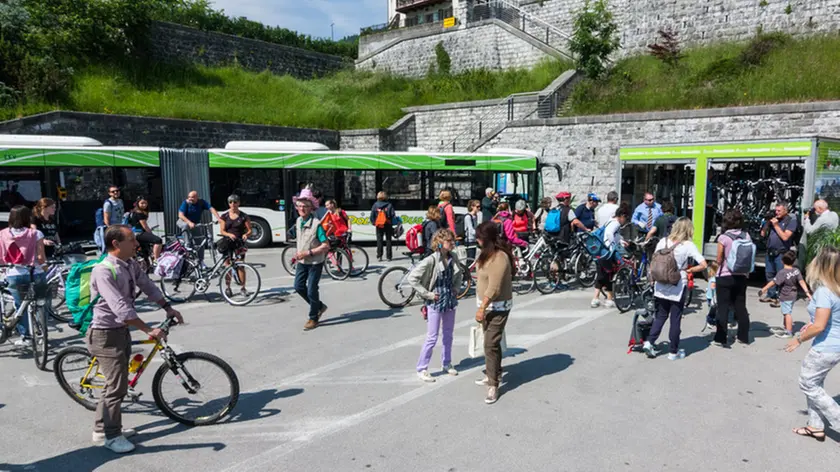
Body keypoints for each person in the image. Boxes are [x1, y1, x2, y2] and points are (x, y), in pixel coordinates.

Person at [87, 225, 183, 453]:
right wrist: (148, 329)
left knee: (117, 383)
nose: (137, 245)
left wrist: (167, 307)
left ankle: (102, 428)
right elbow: (120, 308)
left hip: (120, 331)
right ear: (116, 244)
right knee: (116, 387)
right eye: (131, 240)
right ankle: (110, 436)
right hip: (105, 334)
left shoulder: (130, 264)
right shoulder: (103, 270)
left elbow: (147, 286)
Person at [784, 245, 840, 443]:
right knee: (816, 383)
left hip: (825, 348)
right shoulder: (836, 289)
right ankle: (815, 426)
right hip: (835, 346)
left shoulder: (825, 292)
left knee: (807, 383)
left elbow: (820, 325)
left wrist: (798, 339)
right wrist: (813, 323)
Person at [642, 218, 707, 360]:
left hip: (660, 283)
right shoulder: (688, 245)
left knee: (660, 316)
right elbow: (703, 264)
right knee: (675, 319)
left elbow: (654, 260)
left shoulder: (663, 241)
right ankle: (673, 352)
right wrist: (690, 270)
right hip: (677, 285)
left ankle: (649, 342)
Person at [408, 229, 463, 382]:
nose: (453, 244)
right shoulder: (431, 260)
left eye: (453, 241)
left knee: (448, 334)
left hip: (449, 299)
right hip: (435, 300)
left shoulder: (453, 256)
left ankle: (447, 362)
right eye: (449, 241)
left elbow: (459, 274)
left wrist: (456, 288)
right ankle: (422, 368)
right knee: (432, 337)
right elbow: (413, 278)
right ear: (440, 243)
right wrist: (427, 294)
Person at [474, 221, 514, 405]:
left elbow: (495, 287)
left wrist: (482, 307)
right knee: (493, 344)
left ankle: (493, 385)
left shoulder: (500, 257)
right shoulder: (485, 254)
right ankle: (494, 372)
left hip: (498, 307)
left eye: (479, 237)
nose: (476, 240)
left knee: (490, 344)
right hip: (486, 306)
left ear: (487, 238)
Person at [0, 206, 47, 347]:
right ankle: (42, 334)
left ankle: (25, 336)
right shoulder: (36, 233)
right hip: (35, 272)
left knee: (20, 305)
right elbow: (41, 257)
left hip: (14, 273)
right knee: (40, 303)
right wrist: (45, 266)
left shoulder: (2, 234)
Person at [713, 209, 752, 347]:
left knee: (723, 307)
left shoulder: (723, 237)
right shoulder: (746, 236)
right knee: (740, 306)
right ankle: (743, 336)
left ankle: (720, 338)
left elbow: (719, 259)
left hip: (725, 275)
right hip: (741, 276)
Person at [293, 198, 330, 331]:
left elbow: (326, 246)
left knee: (311, 290)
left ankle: (313, 317)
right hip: (302, 261)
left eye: (305, 206)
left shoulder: (316, 224)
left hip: (315, 262)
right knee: (298, 286)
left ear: (311, 208)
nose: (302, 209)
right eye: (299, 206)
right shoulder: (298, 221)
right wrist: (298, 253)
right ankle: (319, 306)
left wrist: (308, 252)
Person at [759, 250, 812, 339]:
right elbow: (801, 281)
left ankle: (789, 332)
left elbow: (773, 282)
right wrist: (807, 293)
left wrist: (764, 289)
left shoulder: (782, 272)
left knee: (787, 313)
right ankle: (786, 327)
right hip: (793, 295)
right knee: (786, 311)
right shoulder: (796, 270)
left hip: (786, 295)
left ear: (782, 261)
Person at [760, 201, 799, 307]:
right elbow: (763, 234)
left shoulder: (790, 221)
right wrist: (767, 222)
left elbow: (785, 237)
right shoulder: (774, 220)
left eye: (779, 211)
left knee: (781, 276)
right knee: (769, 274)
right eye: (775, 210)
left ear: (786, 211)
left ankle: (781, 298)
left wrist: (776, 225)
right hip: (770, 252)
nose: (776, 213)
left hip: (781, 253)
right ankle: (771, 295)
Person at [591, 205, 629, 308]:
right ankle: (608, 299)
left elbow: (613, 234)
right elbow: (609, 234)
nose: (625, 221)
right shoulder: (616, 223)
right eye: (625, 218)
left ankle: (595, 299)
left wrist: (620, 240)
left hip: (600, 251)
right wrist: (613, 247)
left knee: (601, 274)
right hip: (607, 252)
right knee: (609, 274)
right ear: (622, 216)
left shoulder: (610, 220)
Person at [219, 194, 252, 298]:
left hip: (239, 243)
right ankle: (228, 288)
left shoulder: (243, 216)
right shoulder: (224, 216)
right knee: (227, 265)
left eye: (235, 202)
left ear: (239, 203)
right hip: (227, 242)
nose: (233, 204)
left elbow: (250, 230)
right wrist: (229, 234)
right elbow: (222, 231)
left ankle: (243, 288)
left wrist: (246, 235)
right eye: (230, 202)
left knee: (240, 266)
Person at [177, 190, 221, 263]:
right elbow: (180, 215)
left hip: (195, 224)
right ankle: (187, 244)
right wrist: (189, 222)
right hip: (183, 221)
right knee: (185, 225)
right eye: (189, 197)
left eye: (193, 197)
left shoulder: (201, 202)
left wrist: (218, 218)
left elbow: (211, 208)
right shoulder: (186, 203)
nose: (190, 199)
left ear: (197, 197)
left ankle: (201, 262)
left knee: (200, 242)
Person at [800, 199, 839, 269]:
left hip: (821, 247)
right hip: (832, 246)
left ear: (820, 209)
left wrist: (807, 219)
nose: (814, 211)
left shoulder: (822, 219)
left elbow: (810, 231)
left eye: (815, 209)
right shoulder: (834, 214)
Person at [126, 197, 163, 263]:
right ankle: (156, 260)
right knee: (158, 240)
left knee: (145, 251)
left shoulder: (134, 211)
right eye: (142, 203)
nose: (144, 205)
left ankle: (146, 263)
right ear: (138, 203)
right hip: (139, 233)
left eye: (145, 203)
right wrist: (151, 234)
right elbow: (145, 226)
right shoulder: (139, 213)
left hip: (134, 233)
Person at [371, 191, 396, 261]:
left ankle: (379, 255)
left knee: (379, 240)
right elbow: (393, 215)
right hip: (388, 224)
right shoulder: (389, 205)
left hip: (379, 225)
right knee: (388, 240)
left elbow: (372, 216)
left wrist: (374, 223)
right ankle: (389, 256)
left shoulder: (375, 205)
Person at [705, 261, 719, 331]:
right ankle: (709, 321)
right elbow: (713, 287)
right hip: (712, 297)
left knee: (712, 309)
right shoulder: (714, 279)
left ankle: (711, 320)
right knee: (712, 310)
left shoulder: (711, 277)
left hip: (709, 296)